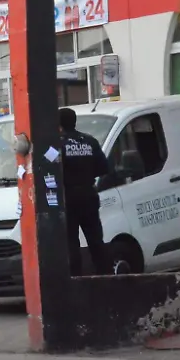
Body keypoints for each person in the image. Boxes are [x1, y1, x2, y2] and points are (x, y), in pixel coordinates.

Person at [59, 107, 112, 276]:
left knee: (70, 243)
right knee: (96, 240)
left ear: (58, 124)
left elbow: (46, 167)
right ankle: (105, 278)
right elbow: (104, 168)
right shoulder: (90, 141)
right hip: (89, 196)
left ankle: (75, 279)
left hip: (68, 198)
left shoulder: (57, 144)